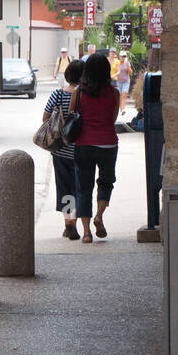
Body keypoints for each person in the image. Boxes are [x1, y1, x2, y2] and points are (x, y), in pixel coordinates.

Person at [72, 52, 119, 244]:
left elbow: (71, 117)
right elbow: (113, 119)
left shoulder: (79, 92)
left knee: (84, 188)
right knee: (106, 182)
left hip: (83, 144)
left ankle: (86, 233)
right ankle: (99, 216)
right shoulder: (114, 93)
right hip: (108, 143)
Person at [43, 59, 84, 241]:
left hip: (60, 149)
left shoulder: (57, 94)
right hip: (80, 148)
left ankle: (68, 223)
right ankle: (74, 224)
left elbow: (45, 118)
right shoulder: (84, 96)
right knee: (79, 187)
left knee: (65, 188)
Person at [115, 49, 133, 116]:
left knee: (124, 95)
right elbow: (115, 71)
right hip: (119, 81)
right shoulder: (117, 63)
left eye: (124, 56)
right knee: (119, 96)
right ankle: (121, 109)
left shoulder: (127, 63)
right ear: (119, 56)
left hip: (126, 81)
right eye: (122, 56)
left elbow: (131, 73)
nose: (123, 57)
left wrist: (127, 66)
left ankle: (123, 110)